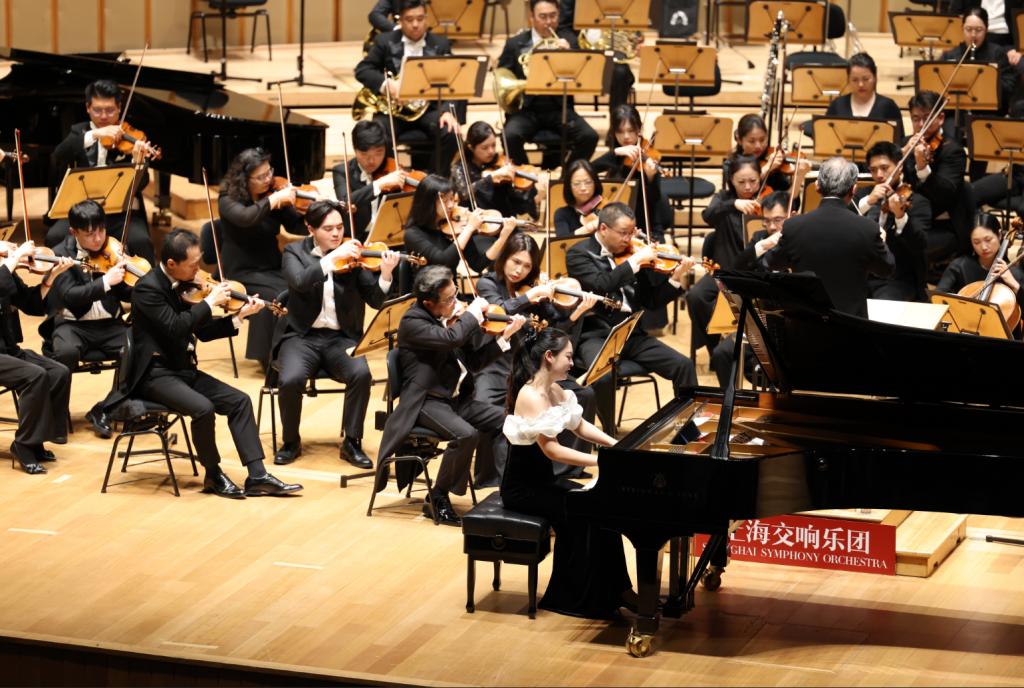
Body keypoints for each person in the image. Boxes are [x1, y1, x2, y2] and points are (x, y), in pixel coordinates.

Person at [115, 229, 302, 499]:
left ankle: (258, 476)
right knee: (203, 409)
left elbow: (200, 331)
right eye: (193, 265)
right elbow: (176, 328)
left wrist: (239, 317)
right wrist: (210, 302)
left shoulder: (185, 285)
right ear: (171, 264)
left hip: (182, 369)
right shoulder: (147, 289)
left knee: (239, 401)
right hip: (154, 375)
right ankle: (213, 475)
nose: (199, 270)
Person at [375, 265, 527, 526]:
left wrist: (504, 337)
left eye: (456, 294)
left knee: (509, 422)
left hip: (454, 401)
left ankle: (509, 489)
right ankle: (437, 497)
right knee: (466, 435)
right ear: (428, 303)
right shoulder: (413, 322)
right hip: (425, 401)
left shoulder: (451, 319)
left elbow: (474, 363)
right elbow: (450, 339)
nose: (456, 302)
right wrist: (472, 315)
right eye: (449, 299)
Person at [501, 326, 634, 619]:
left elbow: (580, 425)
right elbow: (552, 450)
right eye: (568, 357)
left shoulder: (555, 389)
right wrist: (600, 461)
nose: (573, 363)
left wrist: (617, 446)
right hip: (522, 490)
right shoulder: (531, 396)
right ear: (549, 357)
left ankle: (616, 592)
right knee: (587, 511)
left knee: (601, 508)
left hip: (543, 483)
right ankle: (577, 598)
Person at [273, 200, 398, 469]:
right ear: (311, 229)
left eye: (340, 227)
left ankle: (352, 442)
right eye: (328, 229)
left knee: (361, 374)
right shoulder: (294, 252)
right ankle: (291, 441)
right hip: (301, 336)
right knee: (291, 379)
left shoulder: (354, 254)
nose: (336, 234)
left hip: (341, 339)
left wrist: (386, 274)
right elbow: (300, 282)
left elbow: (375, 300)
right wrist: (331, 259)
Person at [474, 232, 600, 485]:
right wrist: (529, 297)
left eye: (526, 266)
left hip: (529, 366)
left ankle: (563, 469)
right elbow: (499, 312)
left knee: (585, 394)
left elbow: (552, 332)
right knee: (493, 411)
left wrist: (576, 312)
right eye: (515, 261)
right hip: (495, 365)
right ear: (504, 258)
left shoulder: (535, 290)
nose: (518, 270)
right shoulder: (488, 283)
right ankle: (498, 477)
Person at [566, 202, 698, 432]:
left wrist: (676, 278)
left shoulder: (635, 253)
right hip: (596, 335)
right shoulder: (578, 254)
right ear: (603, 229)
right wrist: (634, 261)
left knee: (683, 365)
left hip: (631, 333)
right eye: (623, 233)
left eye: (631, 233)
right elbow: (601, 285)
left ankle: (687, 429)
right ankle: (608, 434)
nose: (629, 239)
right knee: (602, 376)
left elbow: (651, 301)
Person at [44, 200, 133, 438]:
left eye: (101, 230)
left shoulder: (114, 249)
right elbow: (70, 296)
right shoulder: (60, 254)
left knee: (138, 350)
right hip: (73, 326)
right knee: (65, 353)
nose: (98, 239)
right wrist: (105, 282)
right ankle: (55, 419)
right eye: (90, 234)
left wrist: (134, 279)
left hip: (111, 325)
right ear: (73, 232)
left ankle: (107, 409)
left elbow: (126, 294)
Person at [765, 157, 895, 318]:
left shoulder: (793, 226)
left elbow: (771, 262)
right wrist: (882, 240)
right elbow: (887, 269)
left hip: (806, 324)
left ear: (817, 186)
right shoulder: (868, 228)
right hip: (851, 326)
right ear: (854, 189)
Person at [218, 147, 310, 368]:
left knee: (303, 283)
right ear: (244, 179)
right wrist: (275, 199)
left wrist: (313, 212)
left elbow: (296, 226)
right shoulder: (227, 199)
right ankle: (269, 357)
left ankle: (299, 347)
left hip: (271, 266)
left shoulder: (271, 195)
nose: (268, 179)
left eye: (269, 172)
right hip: (242, 271)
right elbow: (246, 217)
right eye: (261, 176)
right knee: (275, 294)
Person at [47, 79, 154, 263]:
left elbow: (142, 184)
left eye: (110, 110)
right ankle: (63, 279)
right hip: (82, 212)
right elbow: (59, 154)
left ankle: (145, 281)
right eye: (97, 110)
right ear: (88, 108)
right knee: (54, 236)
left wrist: (138, 163)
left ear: (120, 108)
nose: (104, 116)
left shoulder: (131, 137)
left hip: (120, 213)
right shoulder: (78, 131)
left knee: (141, 241)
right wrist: (95, 134)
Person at [354, 0, 460, 174]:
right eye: (409, 20)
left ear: (426, 18)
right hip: (394, 111)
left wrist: (448, 111)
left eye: (420, 18)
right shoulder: (384, 41)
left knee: (451, 132)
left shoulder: (440, 44)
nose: (416, 24)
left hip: (429, 110)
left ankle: (433, 180)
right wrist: (387, 84)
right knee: (379, 133)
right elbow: (363, 70)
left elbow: (454, 81)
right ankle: (391, 178)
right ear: (400, 20)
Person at [0, 241, 75, 474]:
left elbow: (31, 303)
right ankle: (23, 445)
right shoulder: (4, 270)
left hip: (7, 349)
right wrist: (15, 258)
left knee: (58, 372)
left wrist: (52, 276)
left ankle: (36, 440)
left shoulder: (5, 270)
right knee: (35, 376)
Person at [498, 0, 599, 168]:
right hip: (526, 110)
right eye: (543, 17)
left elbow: (581, 77)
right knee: (510, 136)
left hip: (559, 108)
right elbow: (502, 75)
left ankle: (568, 176)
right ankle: (527, 176)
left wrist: (569, 55)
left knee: (589, 137)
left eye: (553, 16)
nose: (549, 22)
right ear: (531, 18)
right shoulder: (515, 43)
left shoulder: (570, 42)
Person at [855, 141, 930, 301]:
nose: (879, 175)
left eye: (885, 168)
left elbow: (920, 245)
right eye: (873, 170)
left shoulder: (918, 201)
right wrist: (868, 202)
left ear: (899, 167)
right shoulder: (863, 196)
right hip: (861, 275)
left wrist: (901, 217)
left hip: (896, 279)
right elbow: (842, 221)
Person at [901, 90, 970, 257]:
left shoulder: (953, 150)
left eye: (927, 118)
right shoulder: (906, 143)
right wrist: (902, 154)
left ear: (941, 118)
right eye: (916, 119)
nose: (921, 124)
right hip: (909, 217)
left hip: (940, 223)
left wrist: (922, 168)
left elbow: (945, 194)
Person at [402, 174, 517, 274]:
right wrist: (469, 228)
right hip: (427, 290)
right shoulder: (412, 234)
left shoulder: (456, 227)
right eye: (445, 201)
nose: (451, 205)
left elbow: (478, 265)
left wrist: (502, 238)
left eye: (452, 199)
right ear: (428, 203)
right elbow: (443, 262)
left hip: (453, 290)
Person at [591, 104, 667, 241]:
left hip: (646, 228)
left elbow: (655, 201)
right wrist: (614, 153)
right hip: (615, 230)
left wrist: (650, 178)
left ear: (639, 129)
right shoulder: (616, 156)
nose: (626, 136)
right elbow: (587, 170)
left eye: (631, 130)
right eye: (620, 131)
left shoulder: (649, 156)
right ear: (613, 132)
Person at [450, 122, 547, 222]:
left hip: (505, 221)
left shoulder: (499, 162)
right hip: (475, 222)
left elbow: (515, 202)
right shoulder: (460, 167)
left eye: (493, 145)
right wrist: (491, 178)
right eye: (485, 148)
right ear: (471, 148)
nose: (491, 151)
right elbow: (464, 194)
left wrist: (534, 191)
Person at [331, 120, 408, 242]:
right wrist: (380, 184)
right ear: (355, 149)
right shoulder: (341, 171)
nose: (371, 161)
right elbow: (346, 200)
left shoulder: (394, 170)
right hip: (356, 239)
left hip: (389, 237)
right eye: (364, 154)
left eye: (378, 153)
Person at [556, 0, 638, 113]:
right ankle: (569, 118)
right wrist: (579, 48)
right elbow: (563, 27)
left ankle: (617, 121)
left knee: (621, 73)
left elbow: (631, 24)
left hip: (610, 54)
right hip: (580, 53)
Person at [804, 53, 904, 142]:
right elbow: (827, 140)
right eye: (855, 80)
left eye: (866, 79)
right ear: (848, 80)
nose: (861, 84)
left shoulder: (888, 106)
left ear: (875, 78)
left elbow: (898, 142)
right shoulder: (837, 105)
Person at [941, 7, 1018, 121]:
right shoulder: (950, 55)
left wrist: (990, 77)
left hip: (989, 113)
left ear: (986, 29)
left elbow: (1009, 87)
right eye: (968, 29)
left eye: (978, 30)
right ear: (962, 28)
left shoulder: (997, 54)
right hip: (956, 112)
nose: (973, 35)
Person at [936, 214, 1024, 307]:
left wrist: (1014, 284)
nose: (984, 247)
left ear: (999, 235)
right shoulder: (959, 266)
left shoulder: (1014, 273)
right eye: (976, 242)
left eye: (988, 240)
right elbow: (937, 298)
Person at [727, 114, 791, 194]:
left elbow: (788, 195)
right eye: (752, 141)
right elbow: (737, 193)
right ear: (739, 140)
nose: (758, 146)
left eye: (762, 140)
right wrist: (767, 168)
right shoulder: (731, 163)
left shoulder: (774, 160)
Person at [552, 159, 604, 238]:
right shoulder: (562, 214)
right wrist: (588, 228)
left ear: (595, 183)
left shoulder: (606, 209)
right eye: (577, 183)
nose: (583, 188)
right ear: (569, 187)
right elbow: (562, 241)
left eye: (588, 182)